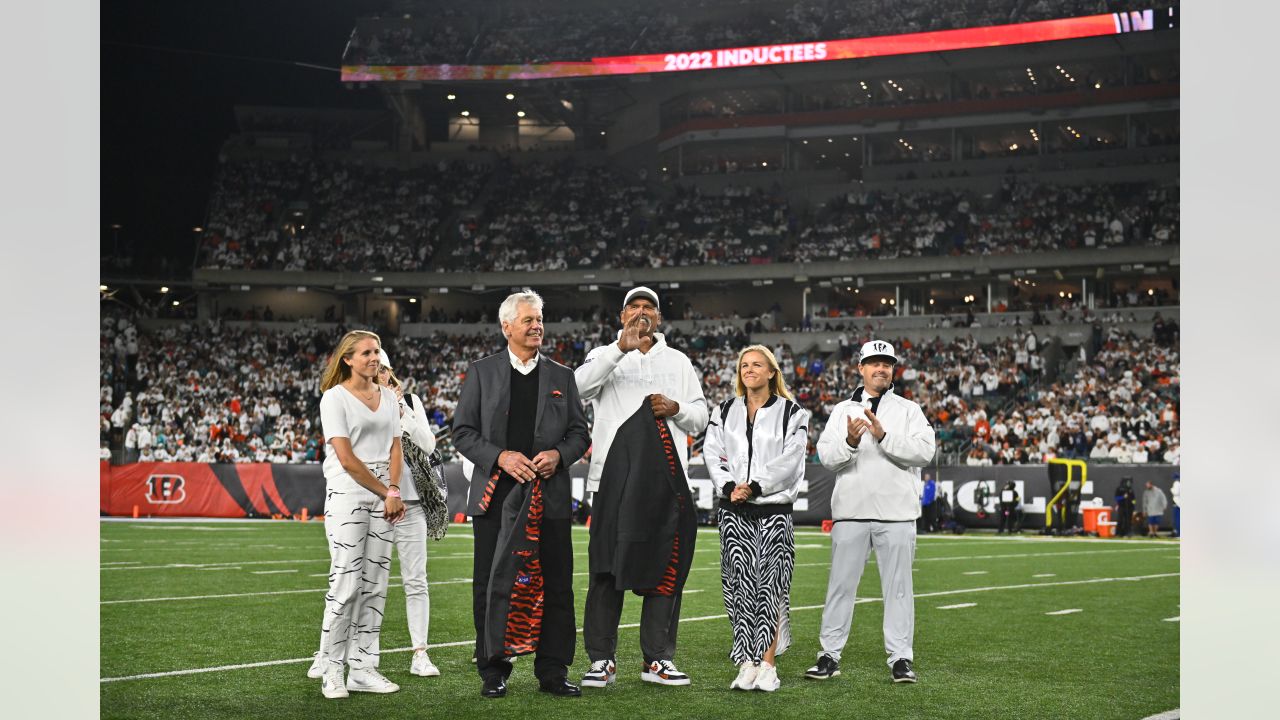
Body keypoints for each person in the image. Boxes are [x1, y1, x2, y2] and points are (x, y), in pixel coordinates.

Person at [452, 291, 591, 699]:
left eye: (540, 319)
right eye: (528, 320)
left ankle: (553, 670)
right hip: (496, 497)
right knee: (491, 584)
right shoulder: (481, 372)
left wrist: (557, 455)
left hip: (548, 498)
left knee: (557, 583)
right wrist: (501, 457)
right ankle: (493, 669)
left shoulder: (563, 376)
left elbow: (579, 434)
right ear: (506, 326)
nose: (537, 326)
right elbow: (462, 432)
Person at [576, 286, 709, 688]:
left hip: (666, 483)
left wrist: (677, 408)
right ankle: (601, 659)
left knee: (665, 570)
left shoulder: (679, 361)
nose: (641, 312)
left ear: (659, 318)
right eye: (633, 306)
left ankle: (657, 659)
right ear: (621, 317)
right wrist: (620, 348)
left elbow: (701, 417)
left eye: (648, 306)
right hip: (611, 481)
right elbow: (577, 391)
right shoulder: (603, 355)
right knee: (604, 569)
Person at [807, 340, 936, 685]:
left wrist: (884, 436)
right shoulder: (841, 411)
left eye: (887, 364)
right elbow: (826, 457)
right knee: (840, 587)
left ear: (893, 370)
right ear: (860, 368)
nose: (881, 369)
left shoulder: (909, 410)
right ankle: (828, 656)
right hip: (850, 511)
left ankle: (901, 659)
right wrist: (850, 442)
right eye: (874, 363)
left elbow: (925, 452)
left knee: (898, 591)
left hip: (897, 513)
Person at [703, 345, 810, 693]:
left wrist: (757, 485)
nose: (749, 370)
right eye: (744, 365)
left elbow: (792, 458)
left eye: (757, 365)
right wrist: (730, 485)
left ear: (771, 372)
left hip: (773, 510)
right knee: (737, 587)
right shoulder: (723, 410)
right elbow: (713, 451)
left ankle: (768, 664)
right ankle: (746, 663)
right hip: (734, 510)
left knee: (771, 587)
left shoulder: (793, 412)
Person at [313, 330, 406, 699]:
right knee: (347, 582)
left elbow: (396, 447)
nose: (374, 357)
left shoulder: (387, 397)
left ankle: (364, 668)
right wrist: (387, 492)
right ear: (347, 359)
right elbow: (348, 460)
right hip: (349, 492)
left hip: (386, 494)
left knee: (376, 585)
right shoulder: (333, 398)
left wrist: (394, 490)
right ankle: (331, 668)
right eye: (366, 352)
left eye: (377, 351)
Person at [1170, 471, 1180, 538]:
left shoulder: (1176, 483)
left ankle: (1179, 533)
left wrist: (1171, 489)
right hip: (1178, 503)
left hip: (1177, 504)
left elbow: (1175, 492)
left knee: (1177, 520)